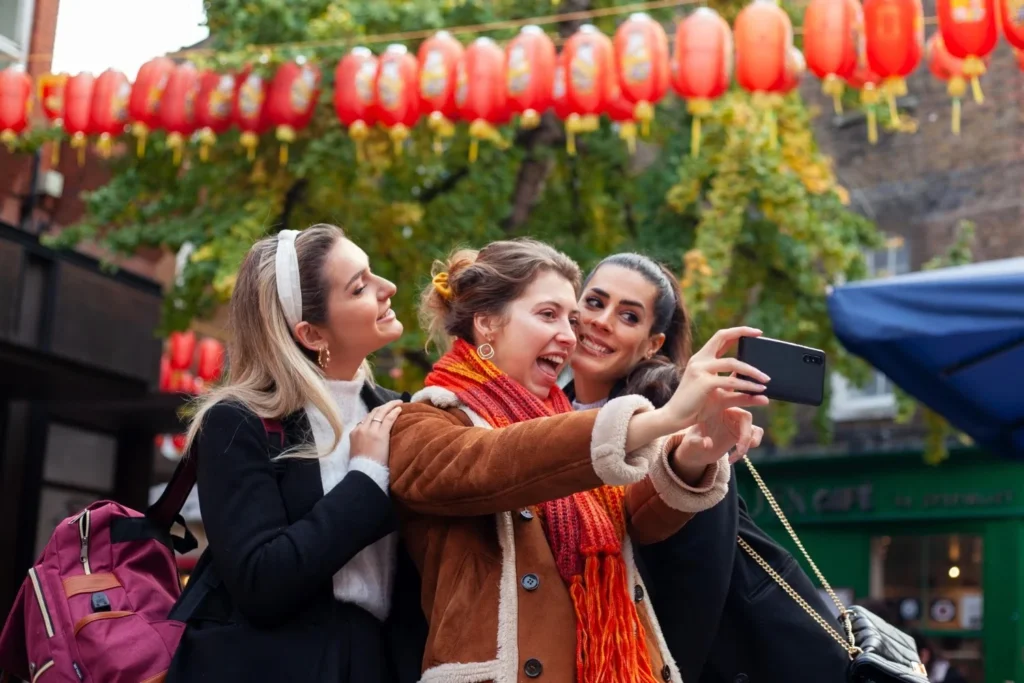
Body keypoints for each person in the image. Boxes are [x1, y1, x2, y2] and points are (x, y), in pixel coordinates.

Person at [387, 238, 772, 683]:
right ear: (487, 323)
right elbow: (499, 460)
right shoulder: (422, 421)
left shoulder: (564, 420)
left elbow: (634, 517)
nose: (572, 335)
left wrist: (696, 451)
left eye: (572, 320)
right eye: (549, 315)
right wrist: (664, 419)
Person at [566, 252, 852, 683]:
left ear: (652, 344)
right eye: (593, 302)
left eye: (628, 316)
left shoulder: (678, 409)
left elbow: (698, 578)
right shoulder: (544, 411)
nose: (602, 321)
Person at [167, 224, 425, 683]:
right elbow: (260, 581)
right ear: (312, 333)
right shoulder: (237, 420)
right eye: (360, 286)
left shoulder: (401, 412)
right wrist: (366, 477)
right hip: (266, 663)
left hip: (377, 662)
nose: (388, 289)